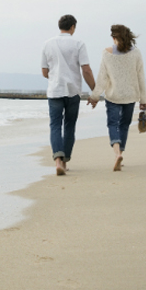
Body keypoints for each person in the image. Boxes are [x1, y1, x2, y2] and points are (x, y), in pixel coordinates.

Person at [88, 24, 146, 171]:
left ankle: (116, 154)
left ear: (114, 38)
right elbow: (141, 77)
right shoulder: (136, 53)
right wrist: (143, 100)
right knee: (124, 125)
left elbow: (102, 77)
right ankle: (120, 154)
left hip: (113, 96)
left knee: (113, 124)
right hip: (130, 96)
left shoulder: (107, 53)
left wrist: (94, 96)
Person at [41, 15, 96, 176]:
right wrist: (94, 90)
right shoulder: (79, 44)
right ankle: (65, 162)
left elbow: (45, 72)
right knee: (69, 126)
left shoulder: (47, 44)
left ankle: (57, 160)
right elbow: (86, 70)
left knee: (55, 125)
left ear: (60, 26)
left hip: (55, 91)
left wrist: (55, 76)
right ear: (72, 27)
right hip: (73, 91)